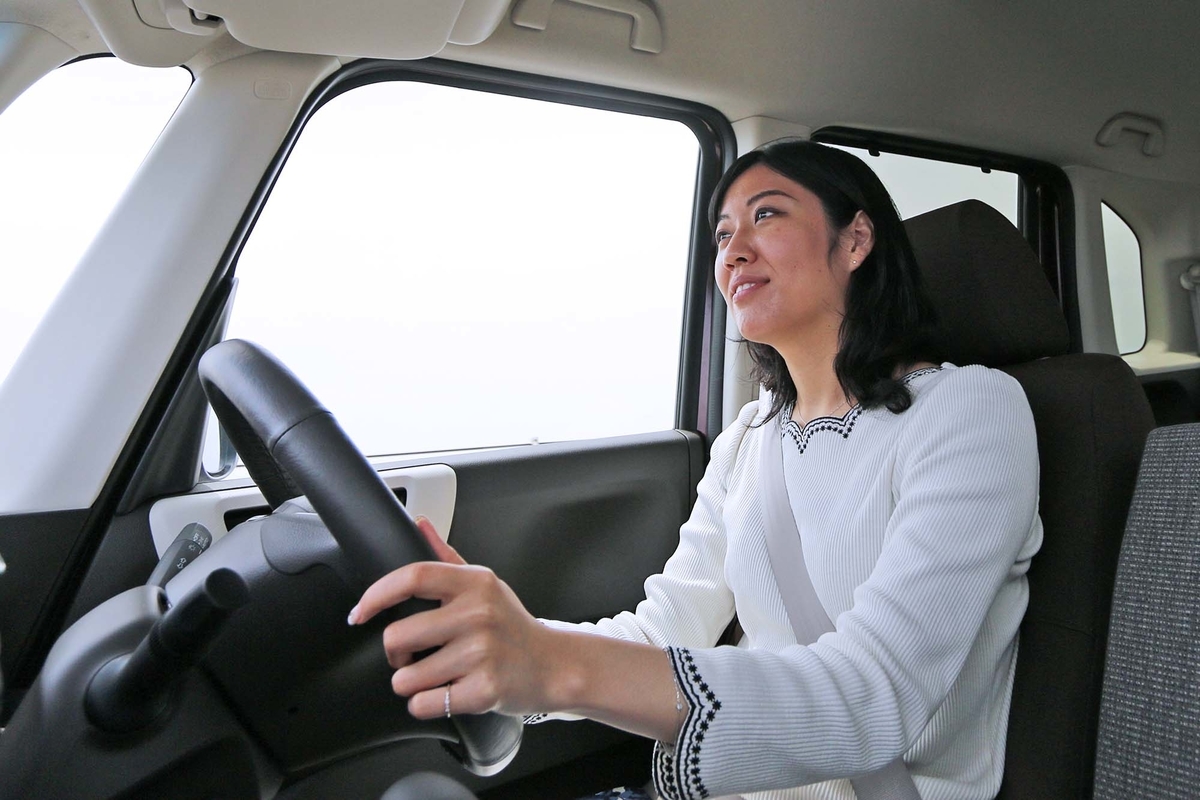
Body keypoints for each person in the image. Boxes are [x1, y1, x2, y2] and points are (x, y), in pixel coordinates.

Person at [346, 139, 1043, 800]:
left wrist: (550, 664)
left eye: (766, 214)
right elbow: (664, 632)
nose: (734, 251)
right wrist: (507, 658)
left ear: (855, 240)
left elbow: (871, 698)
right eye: (721, 234)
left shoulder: (970, 411)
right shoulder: (749, 436)